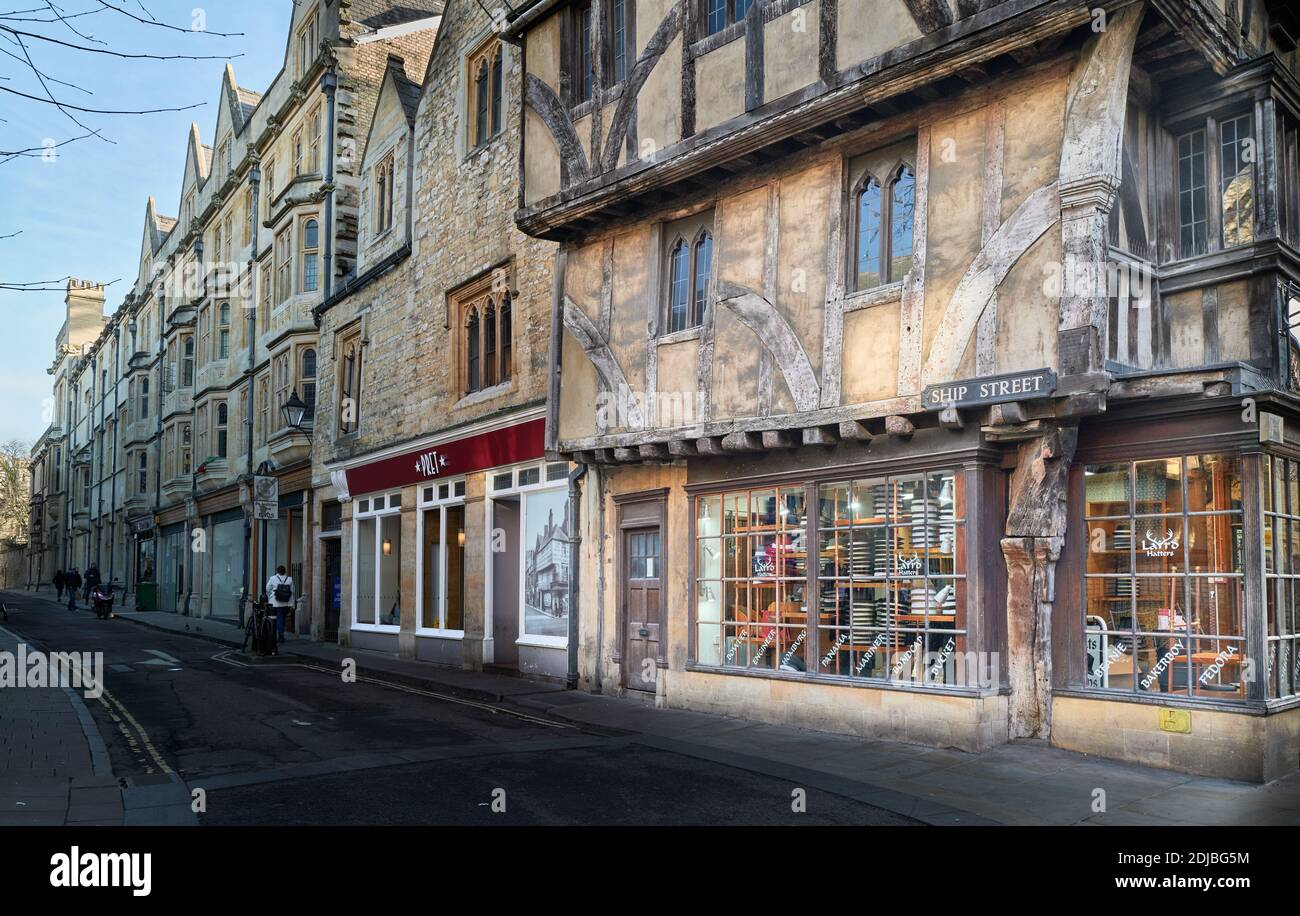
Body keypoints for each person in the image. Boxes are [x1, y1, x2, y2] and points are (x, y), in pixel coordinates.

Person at [265, 565, 293, 643]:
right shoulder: (289, 579)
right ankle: (281, 634)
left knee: (277, 619)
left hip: (275, 602)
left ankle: (280, 637)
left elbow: (267, 588)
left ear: (277, 571)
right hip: (286, 602)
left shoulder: (273, 578)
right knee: (282, 619)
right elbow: (292, 592)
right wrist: (291, 604)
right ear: (285, 571)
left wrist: (274, 592)